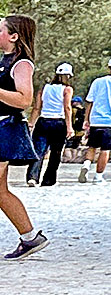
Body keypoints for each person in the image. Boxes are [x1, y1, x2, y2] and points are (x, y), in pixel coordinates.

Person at [0, 16, 48, 259]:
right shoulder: (5, 61)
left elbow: (24, 99)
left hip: (6, 129)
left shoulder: (22, 64)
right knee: (0, 192)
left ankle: (30, 239)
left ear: (14, 36)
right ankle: (30, 238)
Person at [30, 64, 70, 188]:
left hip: (43, 121)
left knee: (39, 150)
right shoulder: (67, 89)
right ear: (68, 76)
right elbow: (67, 108)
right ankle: (48, 180)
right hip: (58, 122)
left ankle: (32, 177)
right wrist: (69, 127)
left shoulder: (44, 88)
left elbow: (37, 107)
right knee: (55, 153)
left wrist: (31, 123)